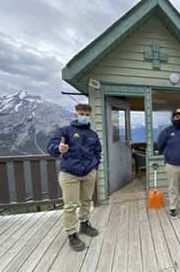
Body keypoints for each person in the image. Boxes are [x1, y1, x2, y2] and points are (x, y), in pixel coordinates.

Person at [47, 103, 102, 252]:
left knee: (86, 201)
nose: (84, 116)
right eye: (81, 113)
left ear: (89, 116)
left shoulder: (93, 135)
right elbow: (51, 147)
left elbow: (98, 152)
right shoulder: (65, 131)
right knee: (70, 205)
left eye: (86, 114)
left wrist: (94, 166)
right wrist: (58, 149)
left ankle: (84, 224)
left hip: (89, 173)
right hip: (69, 174)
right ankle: (71, 234)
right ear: (75, 114)